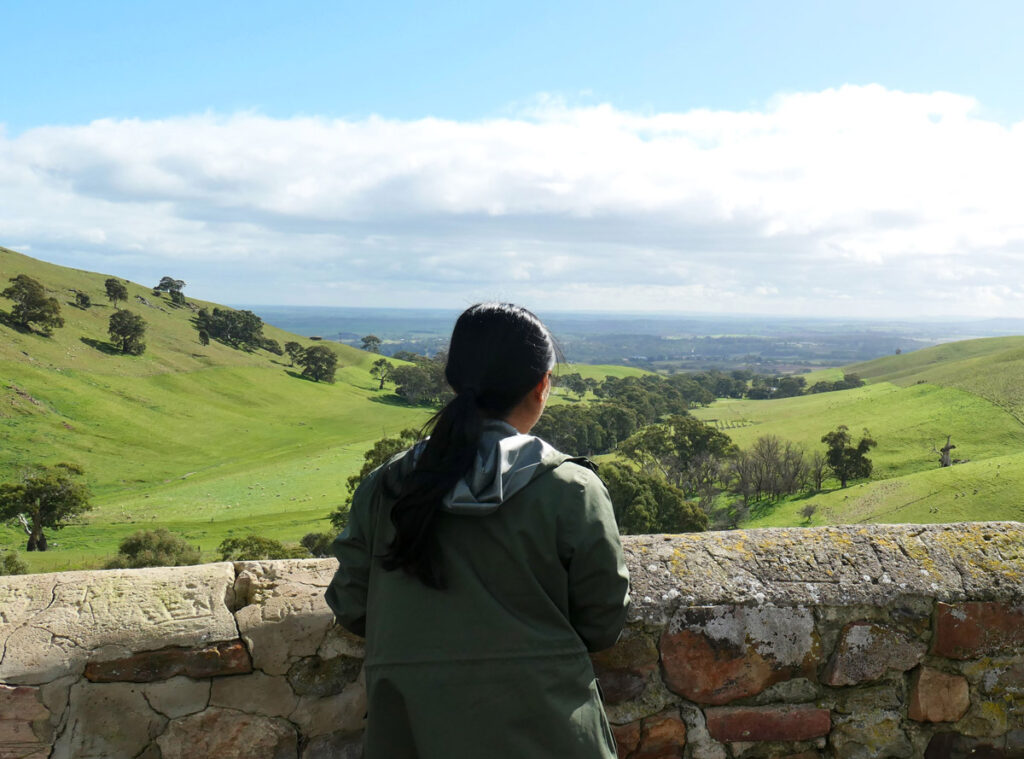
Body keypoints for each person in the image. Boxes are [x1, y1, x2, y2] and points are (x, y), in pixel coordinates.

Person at [325, 302, 630, 759]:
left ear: (454, 379)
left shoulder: (385, 485)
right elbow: (602, 620)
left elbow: (351, 605)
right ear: (541, 385)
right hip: (548, 729)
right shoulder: (571, 489)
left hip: (413, 730)